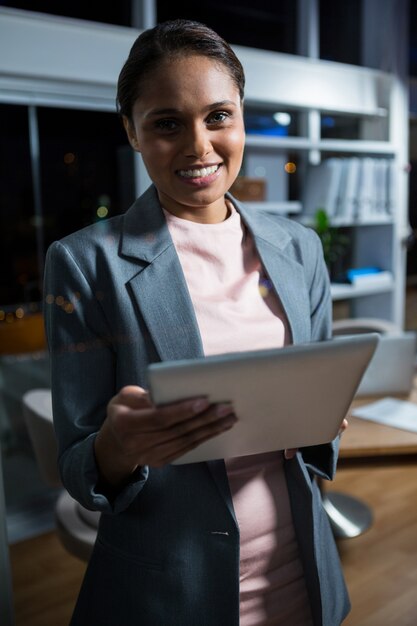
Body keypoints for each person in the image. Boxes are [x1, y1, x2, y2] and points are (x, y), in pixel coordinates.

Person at [44, 19, 350, 626]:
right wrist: (116, 447)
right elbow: (81, 468)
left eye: (218, 117)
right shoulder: (83, 264)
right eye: (166, 123)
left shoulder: (298, 246)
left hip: (301, 572)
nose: (199, 146)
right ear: (131, 131)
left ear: (240, 116)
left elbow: (318, 435)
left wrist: (321, 423)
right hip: (170, 589)